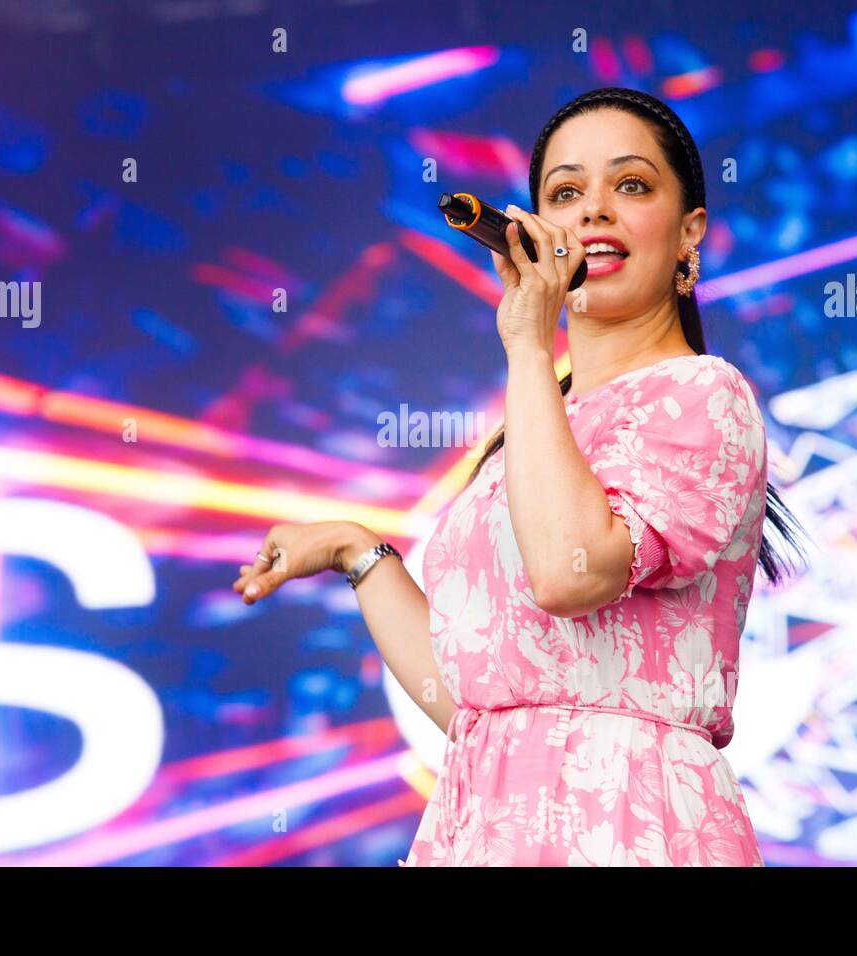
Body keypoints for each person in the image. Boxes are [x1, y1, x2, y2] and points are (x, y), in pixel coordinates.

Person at [232, 87, 807, 866]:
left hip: (626, 829)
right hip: (484, 827)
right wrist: (355, 551)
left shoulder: (703, 394)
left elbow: (573, 576)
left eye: (630, 186)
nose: (593, 212)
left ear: (689, 234)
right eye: (566, 193)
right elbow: (482, 706)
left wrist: (531, 347)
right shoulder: (533, 433)